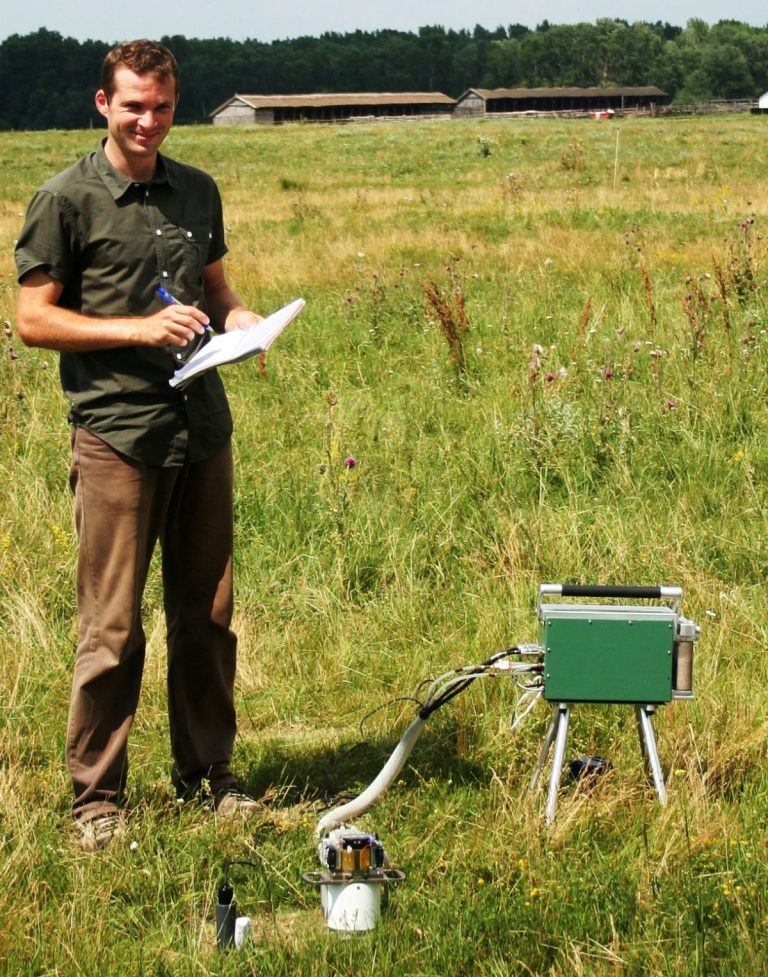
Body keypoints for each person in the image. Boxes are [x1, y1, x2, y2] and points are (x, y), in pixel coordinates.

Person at [14, 39, 262, 851]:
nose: (148, 121)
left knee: (208, 616)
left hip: (201, 431)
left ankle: (209, 777)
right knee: (112, 627)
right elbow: (32, 319)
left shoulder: (197, 190)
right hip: (118, 433)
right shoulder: (66, 198)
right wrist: (136, 328)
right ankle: (97, 799)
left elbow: (217, 290)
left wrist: (243, 323)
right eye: (133, 106)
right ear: (103, 104)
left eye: (161, 106)